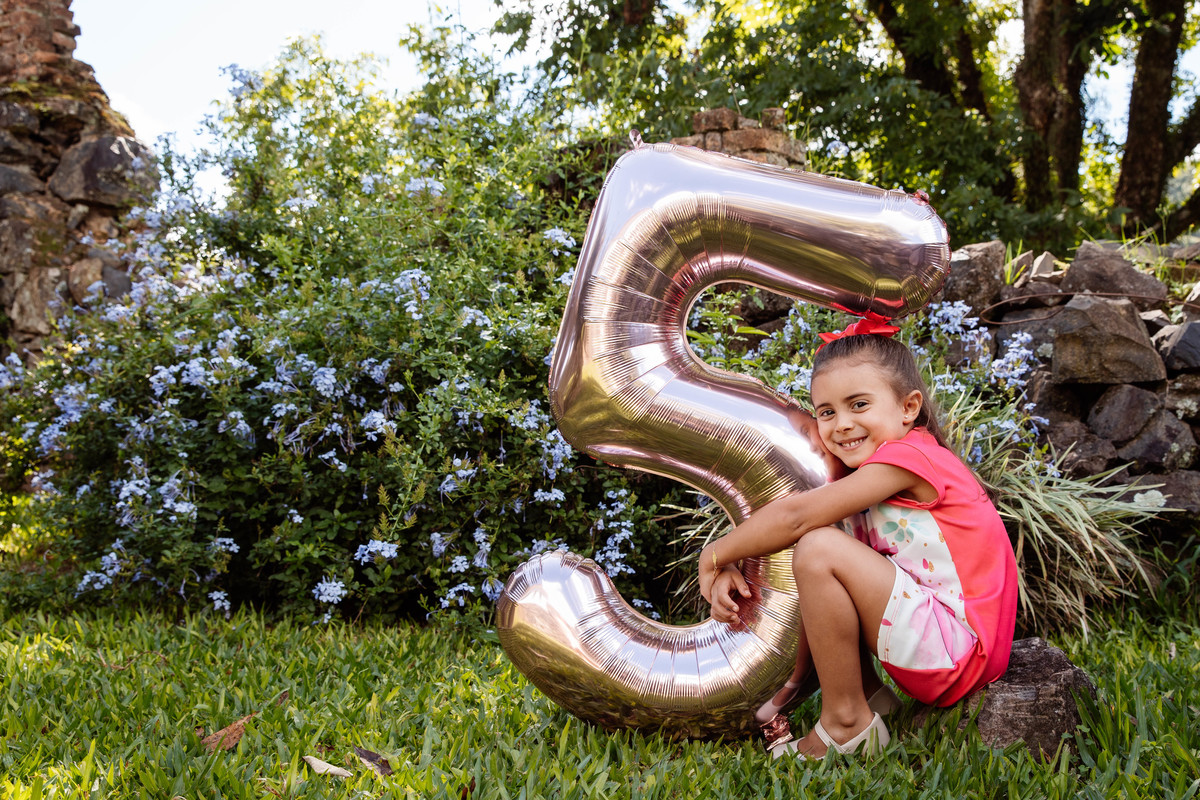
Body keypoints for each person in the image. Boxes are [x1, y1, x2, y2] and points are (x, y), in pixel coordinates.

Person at [698, 317, 1018, 760]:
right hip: (949, 647)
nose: (841, 424)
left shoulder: (910, 458)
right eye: (826, 412)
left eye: (859, 404)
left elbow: (795, 517)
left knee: (817, 545)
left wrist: (715, 554)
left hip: (961, 657)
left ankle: (847, 722)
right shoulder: (881, 465)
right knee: (829, 537)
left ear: (908, 407)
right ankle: (867, 694)